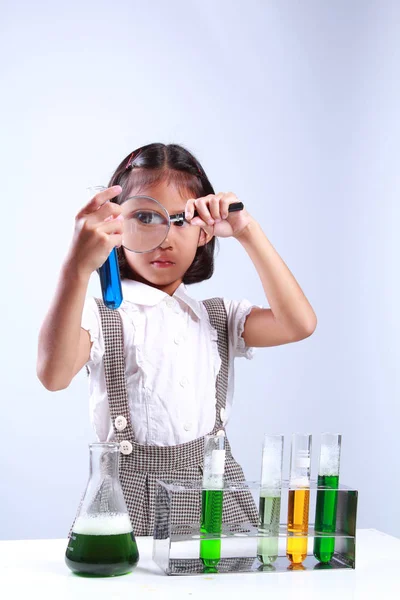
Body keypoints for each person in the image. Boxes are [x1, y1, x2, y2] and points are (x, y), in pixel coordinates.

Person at [37, 142, 317, 536]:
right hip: (128, 506)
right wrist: (76, 267)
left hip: (214, 501)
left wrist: (247, 231)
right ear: (116, 226)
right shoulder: (102, 317)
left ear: (205, 231)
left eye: (181, 219)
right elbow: (53, 375)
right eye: (145, 217)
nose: (165, 237)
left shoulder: (218, 317)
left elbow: (299, 324)